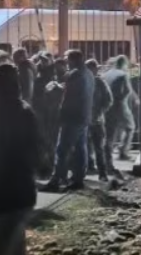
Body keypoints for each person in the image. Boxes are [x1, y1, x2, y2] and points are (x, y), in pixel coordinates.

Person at [0, 64, 39, 255]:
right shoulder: (17, 111)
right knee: (13, 244)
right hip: (16, 192)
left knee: (1, 245)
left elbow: (4, 155)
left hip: (11, 192)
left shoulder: (11, 115)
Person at [46, 50, 94, 192]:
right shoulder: (89, 73)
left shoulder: (75, 74)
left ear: (72, 60)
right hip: (84, 116)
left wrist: (56, 90)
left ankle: (56, 180)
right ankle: (78, 179)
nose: (66, 62)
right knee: (80, 149)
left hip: (72, 117)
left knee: (62, 150)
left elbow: (68, 96)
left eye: (67, 59)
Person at [103, 55, 135, 172]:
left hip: (107, 106)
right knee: (130, 127)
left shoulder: (106, 74)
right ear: (124, 64)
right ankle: (123, 151)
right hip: (120, 105)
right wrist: (121, 99)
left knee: (110, 132)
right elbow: (127, 90)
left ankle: (107, 157)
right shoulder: (123, 75)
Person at [85, 59, 112, 181]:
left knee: (98, 147)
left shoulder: (100, 82)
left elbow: (108, 100)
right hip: (87, 119)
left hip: (96, 120)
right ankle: (90, 168)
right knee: (87, 146)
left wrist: (99, 112)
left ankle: (102, 173)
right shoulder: (86, 81)